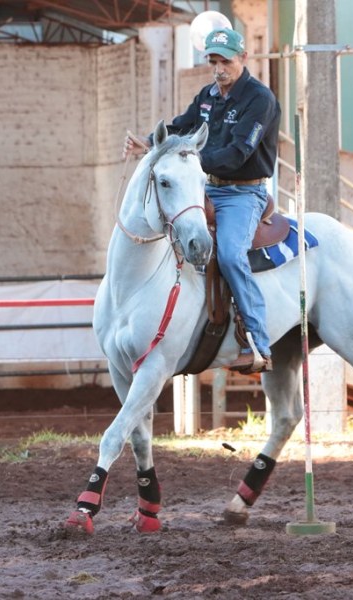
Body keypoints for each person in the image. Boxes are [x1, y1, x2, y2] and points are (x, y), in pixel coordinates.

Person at [124, 27, 281, 374]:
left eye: (225, 60)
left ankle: (257, 340)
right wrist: (149, 143)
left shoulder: (260, 100)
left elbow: (240, 152)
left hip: (244, 192)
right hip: (206, 186)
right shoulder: (207, 95)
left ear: (243, 58)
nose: (219, 68)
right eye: (213, 61)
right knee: (168, 233)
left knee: (228, 253)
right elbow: (181, 126)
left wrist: (192, 163)